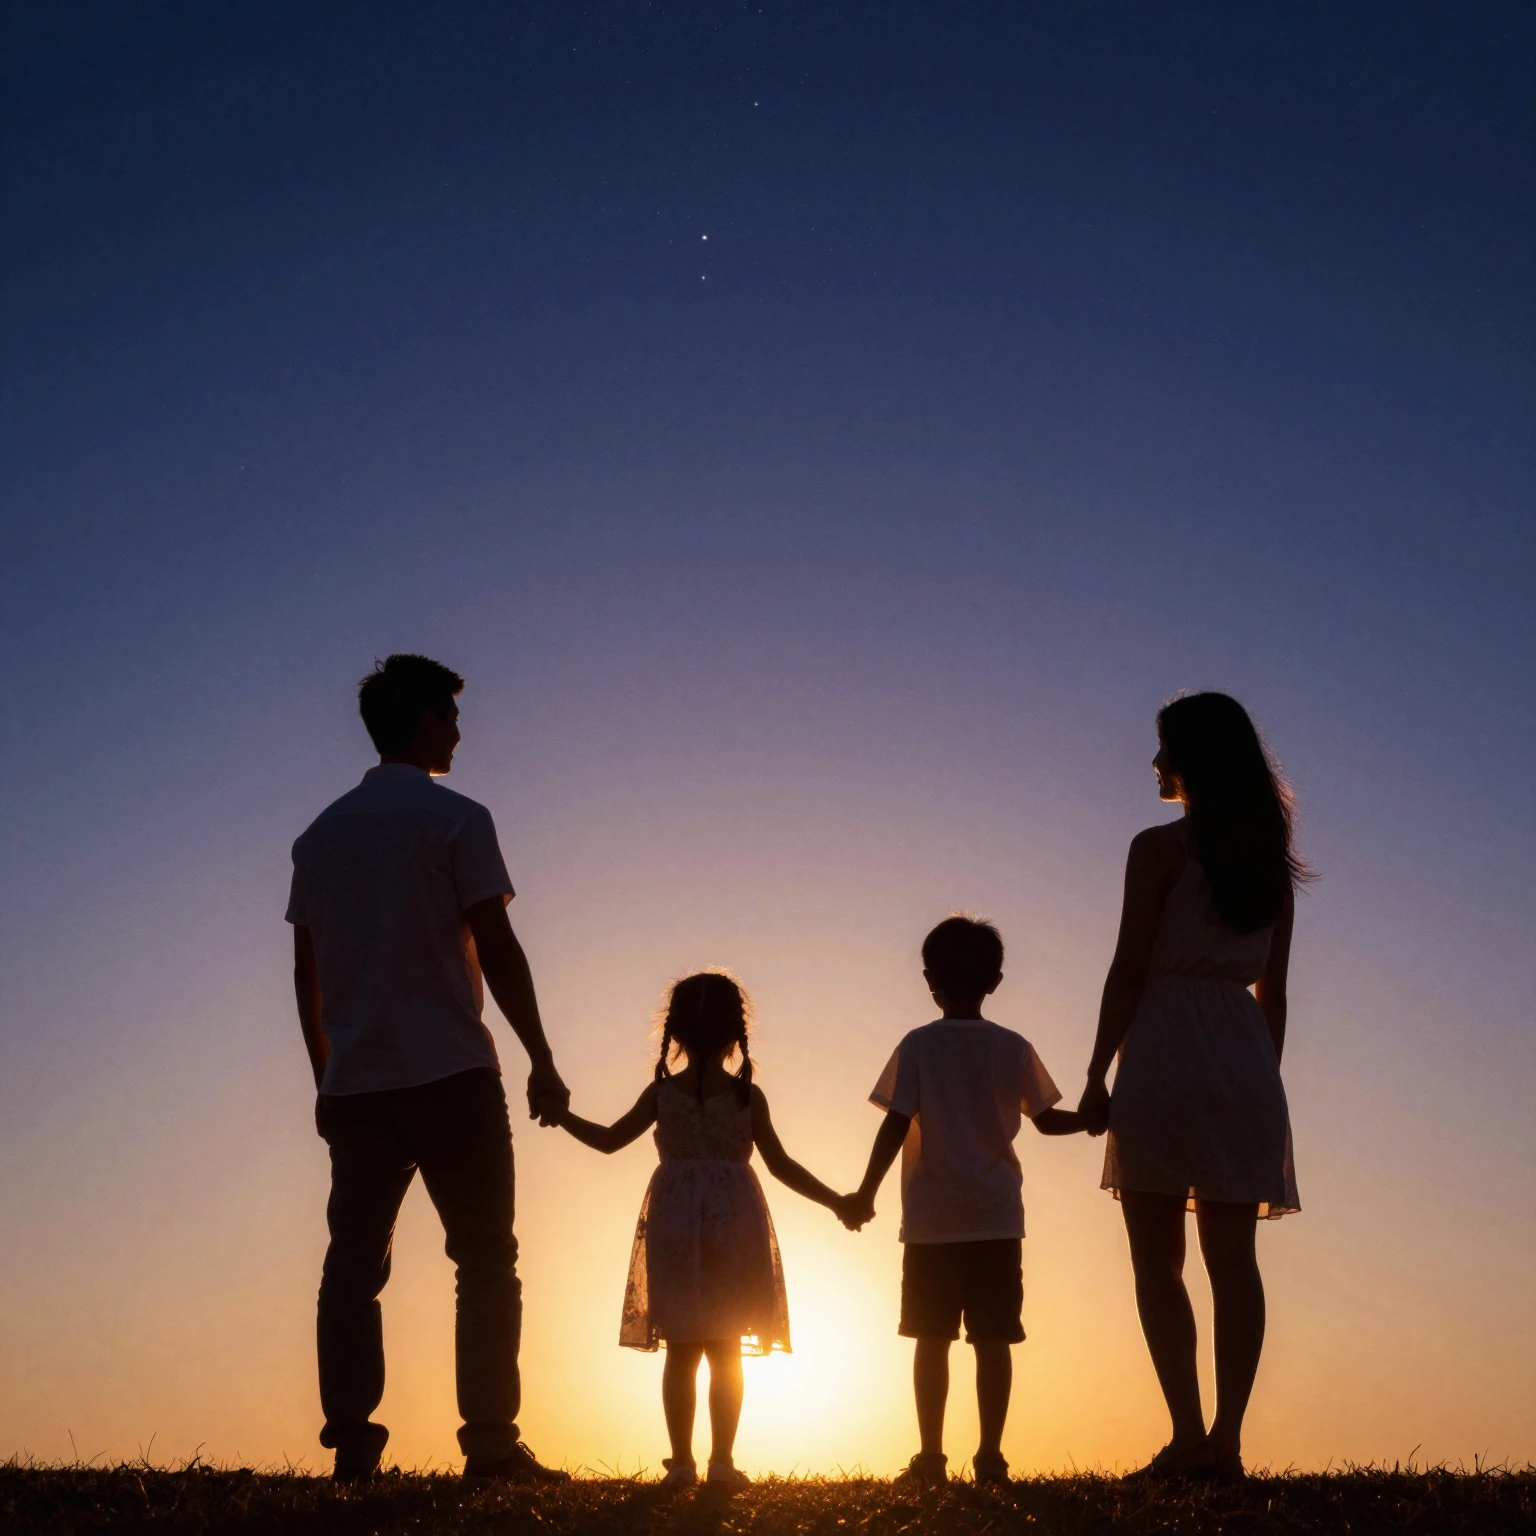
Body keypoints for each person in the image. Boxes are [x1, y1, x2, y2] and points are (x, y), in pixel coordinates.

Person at [286, 653, 572, 1485]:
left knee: (352, 1267)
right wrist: (542, 1057)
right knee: (484, 1256)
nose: (458, 729)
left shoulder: (319, 835)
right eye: (449, 715)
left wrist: (323, 1075)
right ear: (420, 723)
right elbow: (499, 945)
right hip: (450, 1072)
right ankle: (489, 1444)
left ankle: (352, 1444)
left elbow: (306, 972)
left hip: (358, 1082)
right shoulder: (458, 819)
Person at [1077, 691, 1306, 1481]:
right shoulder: (1271, 868)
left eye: (1162, 749)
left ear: (1191, 760)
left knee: (1157, 1260)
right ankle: (1228, 1442)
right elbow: (1274, 993)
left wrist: (1096, 1070)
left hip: (1165, 1056)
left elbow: (1130, 971)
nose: (1153, 765)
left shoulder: (1158, 851)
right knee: (1234, 1261)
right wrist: (1260, 1085)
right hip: (1243, 1064)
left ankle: (1187, 1437)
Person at [552, 970, 860, 1491]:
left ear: (675, 1034)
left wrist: (561, 1116)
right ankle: (721, 1461)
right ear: (733, 1036)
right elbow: (781, 1165)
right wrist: (838, 1202)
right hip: (734, 1224)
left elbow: (607, 1141)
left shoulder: (661, 1095)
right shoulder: (746, 1097)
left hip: (673, 1222)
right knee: (724, 1348)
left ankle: (682, 1463)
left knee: (681, 1347)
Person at [847, 916, 1085, 1488]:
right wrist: (1097, 1120)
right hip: (996, 1218)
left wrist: (865, 1192)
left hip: (932, 1221)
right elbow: (1048, 1121)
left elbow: (894, 1123)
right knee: (993, 1340)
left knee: (931, 1340)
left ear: (929, 979)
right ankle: (992, 1458)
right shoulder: (1013, 1047)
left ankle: (931, 1459)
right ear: (995, 980)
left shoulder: (919, 1045)